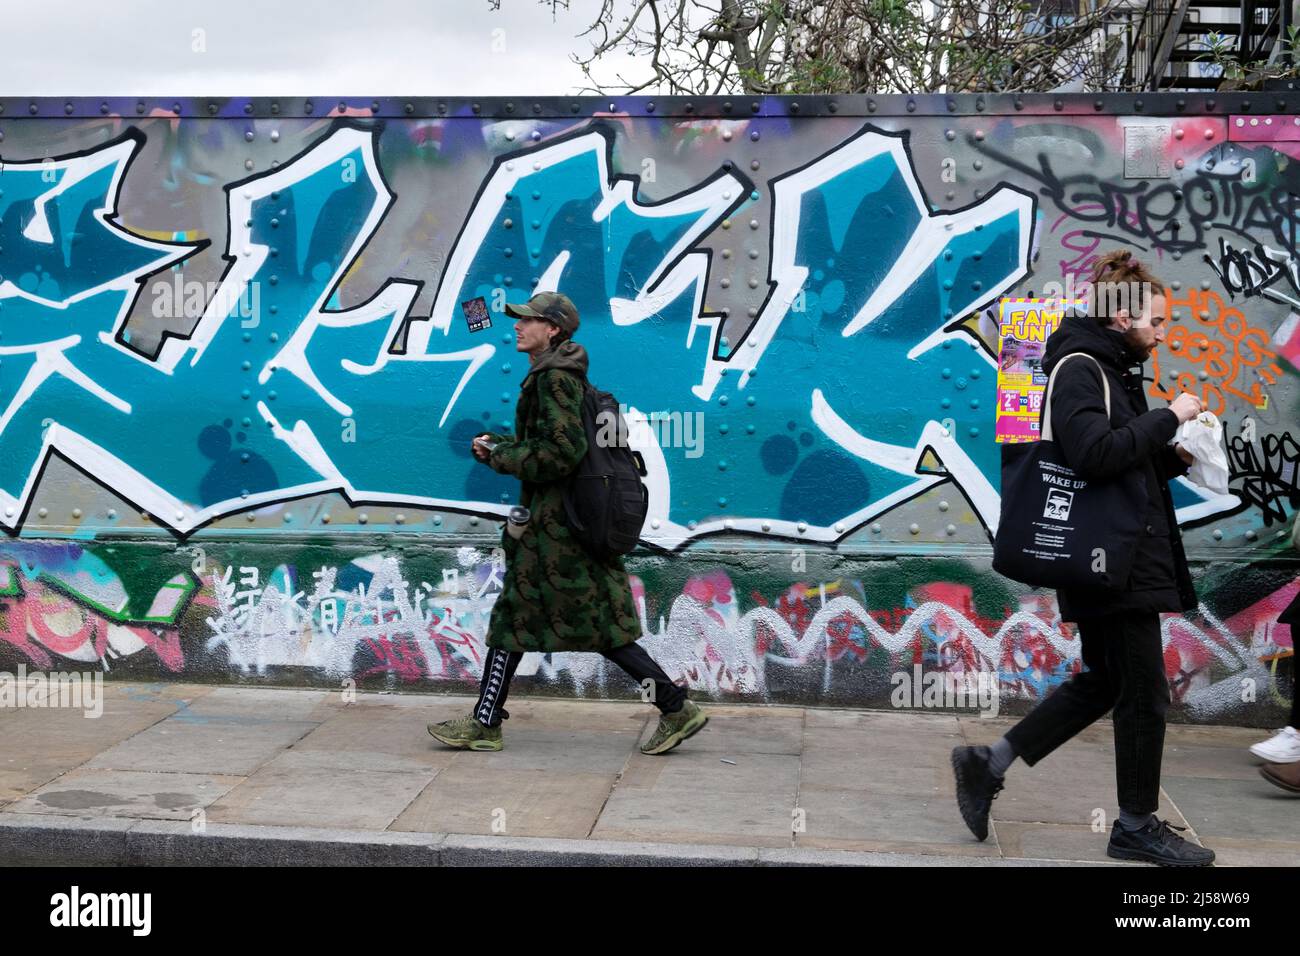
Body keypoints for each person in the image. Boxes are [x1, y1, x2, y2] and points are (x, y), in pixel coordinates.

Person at [952, 249, 1216, 866]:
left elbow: (1114, 461)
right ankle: (1135, 825)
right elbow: (1093, 454)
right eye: (1156, 319)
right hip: (1110, 559)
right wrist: (1167, 416)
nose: (1162, 329)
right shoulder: (1079, 366)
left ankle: (987, 763)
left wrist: (1174, 455)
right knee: (1145, 694)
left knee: (1106, 680)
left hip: (1120, 553)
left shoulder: (1114, 368)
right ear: (1122, 319)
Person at [426, 291, 708, 754]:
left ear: (552, 329)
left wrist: (501, 455)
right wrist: (504, 444)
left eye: (528, 321)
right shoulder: (559, 375)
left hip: (555, 535)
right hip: (563, 529)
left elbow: (560, 455)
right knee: (567, 628)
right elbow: (555, 444)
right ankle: (487, 720)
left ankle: (674, 708)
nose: (517, 327)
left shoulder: (553, 378)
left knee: (544, 627)